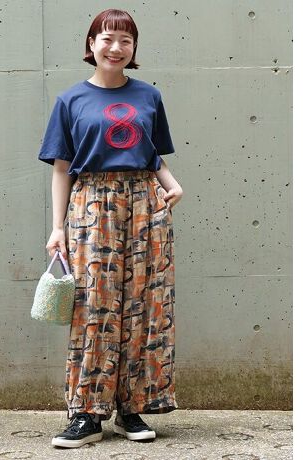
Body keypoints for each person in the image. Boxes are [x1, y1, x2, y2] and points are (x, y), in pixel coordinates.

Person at [38, 8, 184, 449]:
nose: (116, 47)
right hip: (92, 204)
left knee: (145, 305)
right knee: (94, 306)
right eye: (107, 38)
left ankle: (130, 407)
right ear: (91, 44)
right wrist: (58, 227)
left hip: (145, 204)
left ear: (134, 48)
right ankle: (86, 413)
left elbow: (151, 153)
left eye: (125, 40)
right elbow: (62, 167)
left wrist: (171, 184)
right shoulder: (70, 100)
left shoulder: (149, 96)